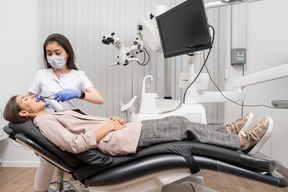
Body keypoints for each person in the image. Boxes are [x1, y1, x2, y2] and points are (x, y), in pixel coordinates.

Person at [4, 95, 273, 158]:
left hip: (120, 132)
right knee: (180, 125)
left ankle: (227, 131)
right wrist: (109, 127)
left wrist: (111, 123)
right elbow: (74, 144)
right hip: (118, 140)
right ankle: (241, 142)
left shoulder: (48, 115)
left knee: (180, 123)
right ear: (24, 112)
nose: (32, 95)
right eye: (26, 98)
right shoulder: (43, 120)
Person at [27, 33, 104, 192]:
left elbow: (98, 98)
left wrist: (78, 94)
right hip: (49, 124)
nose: (53, 56)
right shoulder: (42, 75)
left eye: (57, 52)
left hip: (70, 124)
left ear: (67, 53)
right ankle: (39, 190)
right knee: (47, 156)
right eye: (49, 53)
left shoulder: (78, 76)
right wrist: (40, 100)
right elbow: (28, 100)